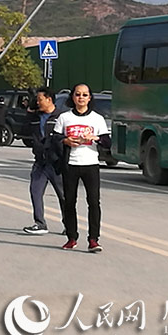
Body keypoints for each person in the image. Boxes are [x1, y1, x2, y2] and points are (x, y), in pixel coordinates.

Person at [55, 83, 110, 252]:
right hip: (71, 164)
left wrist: (95, 138)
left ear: (90, 98)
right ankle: (71, 237)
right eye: (78, 94)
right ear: (72, 97)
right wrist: (66, 141)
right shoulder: (64, 118)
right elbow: (54, 139)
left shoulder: (97, 119)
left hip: (90, 164)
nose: (81, 98)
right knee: (69, 201)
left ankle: (93, 239)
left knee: (93, 202)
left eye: (85, 95)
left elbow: (107, 142)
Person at [22, 88, 65, 235]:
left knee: (63, 195)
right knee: (35, 190)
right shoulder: (35, 117)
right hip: (40, 162)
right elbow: (24, 131)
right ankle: (40, 223)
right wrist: (29, 112)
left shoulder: (61, 117)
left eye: (40, 99)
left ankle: (69, 224)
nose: (37, 102)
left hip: (56, 163)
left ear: (49, 99)